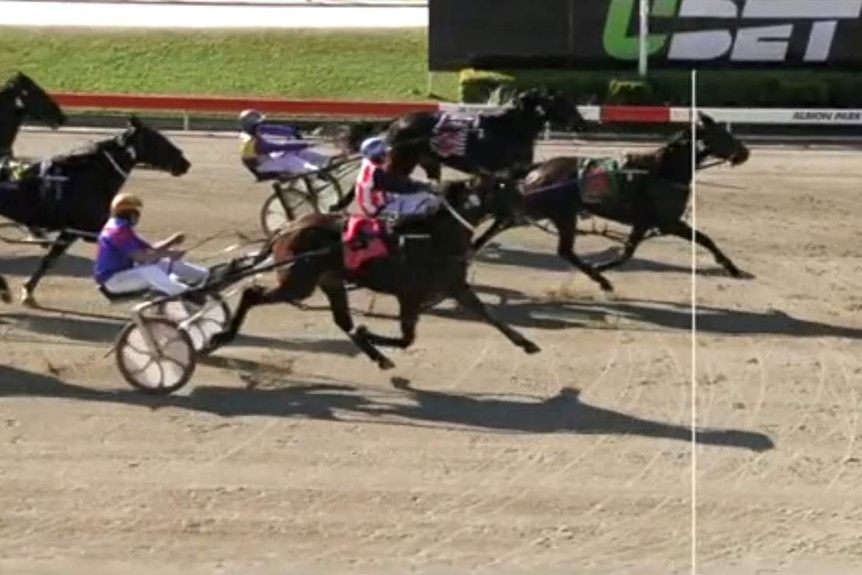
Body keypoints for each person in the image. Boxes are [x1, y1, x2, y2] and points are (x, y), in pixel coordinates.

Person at [94, 193, 210, 297]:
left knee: (161, 263)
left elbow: (150, 250)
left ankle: (205, 275)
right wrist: (169, 253)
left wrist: (172, 241)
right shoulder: (117, 232)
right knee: (150, 271)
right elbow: (141, 257)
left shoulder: (121, 227)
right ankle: (186, 294)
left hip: (124, 274)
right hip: (113, 281)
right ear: (132, 215)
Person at [353, 136, 443, 223]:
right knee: (430, 202)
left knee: (426, 197)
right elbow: (401, 186)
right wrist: (425, 185)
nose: (389, 155)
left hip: (383, 200)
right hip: (380, 212)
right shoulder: (377, 174)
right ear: (381, 156)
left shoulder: (372, 165)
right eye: (387, 153)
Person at [238, 109, 331, 179]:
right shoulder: (252, 141)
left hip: (267, 158)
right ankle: (315, 172)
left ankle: (323, 161)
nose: (261, 125)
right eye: (259, 124)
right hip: (264, 166)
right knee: (291, 161)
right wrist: (304, 144)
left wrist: (292, 131)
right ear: (252, 126)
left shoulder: (251, 131)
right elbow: (279, 147)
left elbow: (274, 129)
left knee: (299, 153)